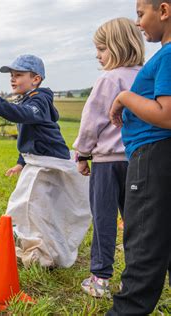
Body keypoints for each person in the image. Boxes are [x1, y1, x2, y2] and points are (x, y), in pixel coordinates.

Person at [0, 55, 91, 268]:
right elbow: (31, 137)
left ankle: (39, 252)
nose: (13, 79)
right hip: (38, 161)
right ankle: (39, 248)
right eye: (11, 76)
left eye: (19, 75)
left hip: (50, 163)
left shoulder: (38, 100)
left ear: (36, 79)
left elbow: (23, 115)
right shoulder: (29, 99)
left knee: (25, 203)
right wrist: (20, 162)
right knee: (37, 207)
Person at [107, 0, 171, 314]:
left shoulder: (169, 55)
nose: (138, 23)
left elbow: (166, 115)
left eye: (140, 14)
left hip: (152, 156)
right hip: (161, 157)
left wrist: (124, 97)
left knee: (143, 240)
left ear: (164, 10)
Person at [73, 17, 145, 298]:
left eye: (101, 48)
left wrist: (82, 153)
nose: (97, 55)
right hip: (138, 159)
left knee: (104, 219)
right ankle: (133, 280)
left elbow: (92, 120)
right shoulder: (145, 75)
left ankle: (100, 278)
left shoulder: (109, 78)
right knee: (135, 221)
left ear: (116, 47)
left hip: (105, 163)